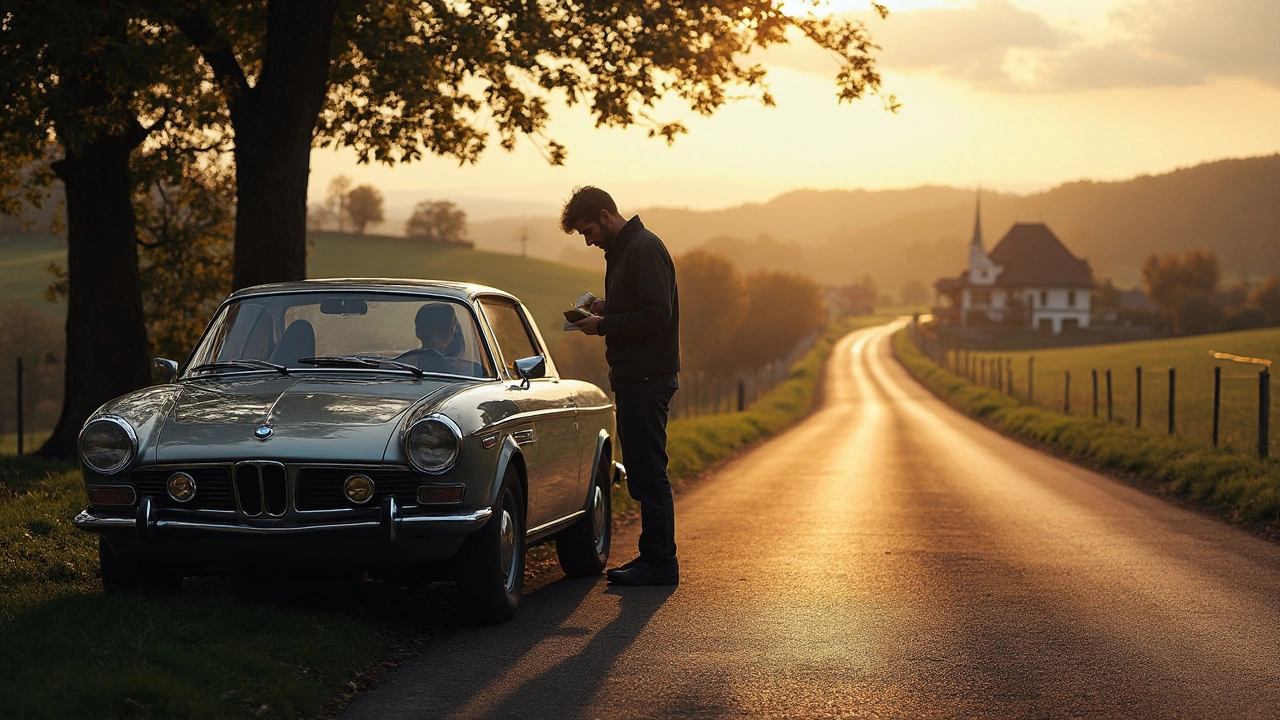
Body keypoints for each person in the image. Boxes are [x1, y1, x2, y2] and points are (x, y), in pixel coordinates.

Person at [560, 186, 681, 586]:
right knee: (645, 470)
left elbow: (656, 315)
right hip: (635, 376)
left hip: (647, 376)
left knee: (649, 470)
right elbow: (640, 307)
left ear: (606, 216)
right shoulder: (627, 249)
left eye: (588, 230)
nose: (589, 240)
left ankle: (661, 563)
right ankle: (653, 557)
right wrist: (606, 307)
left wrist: (604, 325)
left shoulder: (643, 248)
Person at [404, 303, 479, 377]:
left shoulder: (402, 366)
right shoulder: (473, 371)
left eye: (446, 327)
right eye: (432, 326)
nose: (448, 333)